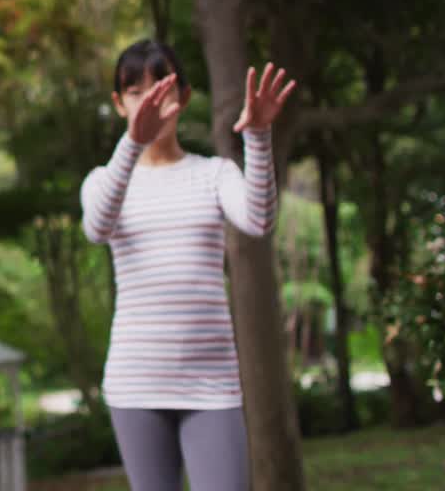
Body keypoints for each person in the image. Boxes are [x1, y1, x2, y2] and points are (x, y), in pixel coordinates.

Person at [79, 39, 297, 491]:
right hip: (135, 383)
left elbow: (258, 220)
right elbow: (97, 227)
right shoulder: (104, 181)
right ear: (120, 104)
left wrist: (257, 137)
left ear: (184, 96)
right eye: (135, 90)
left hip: (211, 385)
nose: (151, 98)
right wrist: (133, 143)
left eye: (163, 84)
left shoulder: (213, 174)